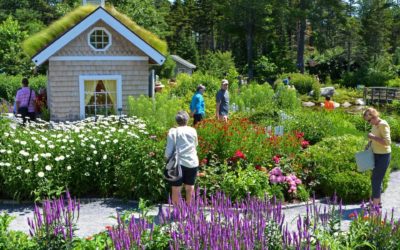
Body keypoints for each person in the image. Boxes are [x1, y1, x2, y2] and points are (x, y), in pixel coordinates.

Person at [165, 111, 199, 205]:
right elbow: (195, 145)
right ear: (187, 120)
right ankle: (190, 210)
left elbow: (168, 151)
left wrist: (167, 159)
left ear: (177, 121)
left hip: (177, 163)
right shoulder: (193, 130)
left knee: (176, 188)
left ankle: (177, 212)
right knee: (190, 187)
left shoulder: (173, 132)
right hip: (192, 162)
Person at [363, 108, 391, 208]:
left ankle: (375, 206)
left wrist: (373, 137)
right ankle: (377, 202)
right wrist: (369, 144)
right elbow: (374, 138)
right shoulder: (375, 125)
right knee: (376, 179)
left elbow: (387, 142)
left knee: (376, 180)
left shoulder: (383, 124)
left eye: (369, 120)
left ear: (374, 116)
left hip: (383, 156)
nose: (369, 123)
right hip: (376, 154)